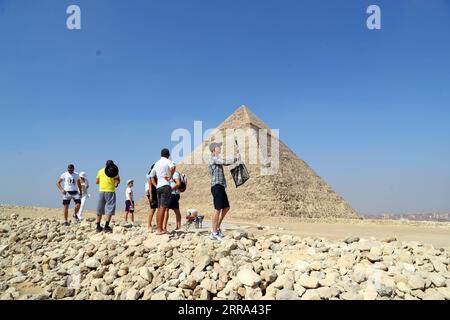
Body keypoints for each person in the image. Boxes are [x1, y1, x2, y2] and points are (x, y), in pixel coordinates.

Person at [208, 142, 239, 241]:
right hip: (216, 186)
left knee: (226, 207)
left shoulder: (217, 159)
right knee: (217, 209)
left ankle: (217, 227)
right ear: (213, 150)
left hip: (221, 186)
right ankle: (214, 233)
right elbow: (224, 162)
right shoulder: (214, 158)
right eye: (218, 147)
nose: (220, 148)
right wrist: (236, 158)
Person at [149, 148, 175, 235]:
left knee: (159, 208)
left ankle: (159, 229)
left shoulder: (157, 163)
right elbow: (173, 167)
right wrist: (170, 176)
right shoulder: (167, 161)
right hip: (165, 186)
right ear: (168, 155)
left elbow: (151, 175)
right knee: (163, 208)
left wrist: (155, 185)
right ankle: (160, 229)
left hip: (159, 187)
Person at [96, 160, 120, 233]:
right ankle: (106, 226)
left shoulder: (100, 171)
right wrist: (115, 183)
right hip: (110, 191)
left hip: (101, 191)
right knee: (110, 208)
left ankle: (98, 226)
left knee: (100, 208)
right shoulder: (114, 170)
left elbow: (97, 182)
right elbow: (118, 180)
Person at [146, 165, 158, 231]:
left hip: (157, 193)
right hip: (152, 193)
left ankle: (158, 224)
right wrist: (151, 195)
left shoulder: (157, 174)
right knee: (152, 209)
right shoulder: (151, 175)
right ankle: (149, 224)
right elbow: (150, 186)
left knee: (158, 209)